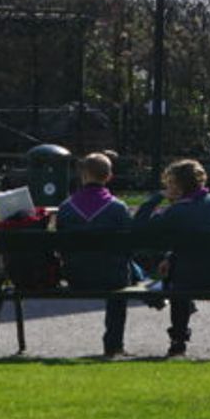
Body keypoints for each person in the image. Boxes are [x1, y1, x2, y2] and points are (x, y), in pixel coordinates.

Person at [133, 158, 210, 357]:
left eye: (168, 184)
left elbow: (139, 226)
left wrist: (157, 197)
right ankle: (180, 326)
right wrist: (171, 256)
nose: (166, 187)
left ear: (177, 186)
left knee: (180, 280)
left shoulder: (176, 211)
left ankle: (178, 341)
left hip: (188, 279)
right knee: (185, 265)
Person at [55, 151, 135, 357]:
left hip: (76, 276)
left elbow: (61, 245)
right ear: (108, 177)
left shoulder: (66, 208)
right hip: (112, 278)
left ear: (83, 175)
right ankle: (114, 344)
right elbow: (128, 245)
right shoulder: (118, 208)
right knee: (123, 272)